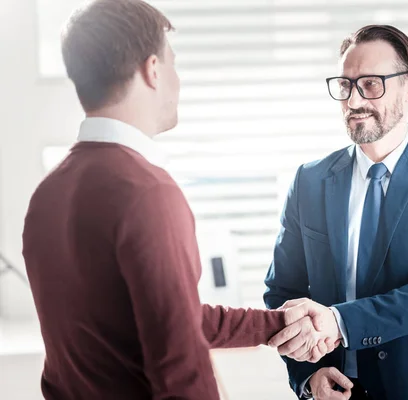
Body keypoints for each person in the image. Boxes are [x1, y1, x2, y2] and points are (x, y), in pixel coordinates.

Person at [22, 1, 334, 399]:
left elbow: (161, 316)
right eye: (173, 63)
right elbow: (179, 364)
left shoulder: (47, 195)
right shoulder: (146, 192)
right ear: (152, 70)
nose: (178, 79)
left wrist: (275, 324)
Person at [265, 25, 408, 400]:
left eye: (371, 84)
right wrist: (308, 374)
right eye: (345, 85)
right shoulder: (310, 180)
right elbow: (283, 290)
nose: (354, 101)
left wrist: (340, 322)